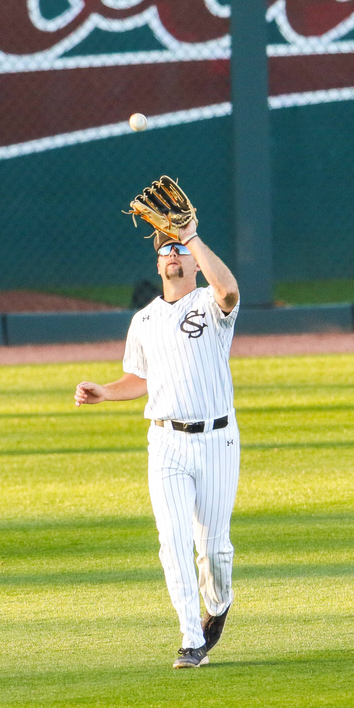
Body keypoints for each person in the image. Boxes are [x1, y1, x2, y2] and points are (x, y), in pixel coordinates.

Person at [74, 213, 241, 669]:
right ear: (157, 260)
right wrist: (107, 391)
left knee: (215, 552)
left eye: (179, 248)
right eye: (166, 247)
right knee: (172, 541)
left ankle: (218, 606)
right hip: (165, 442)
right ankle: (191, 639)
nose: (172, 252)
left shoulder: (210, 303)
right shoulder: (144, 319)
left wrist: (192, 236)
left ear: (193, 259)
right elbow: (140, 376)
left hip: (217, 441)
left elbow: (229, 291)